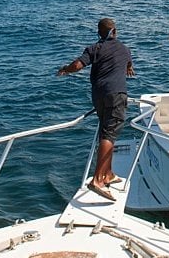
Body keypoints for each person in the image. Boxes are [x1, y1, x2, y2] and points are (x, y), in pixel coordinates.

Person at [57, 17, 135, 201]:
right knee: (110, 134)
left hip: (98, 95)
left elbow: (77, 65)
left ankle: (108, 173)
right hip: (116, 94)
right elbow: (129, 65)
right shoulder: (124, 49)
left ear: (99, 33)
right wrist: (128, 69)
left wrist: (65, 70)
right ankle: (97, 180)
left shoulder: (94, 48)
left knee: (105, 132)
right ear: (114, 32)